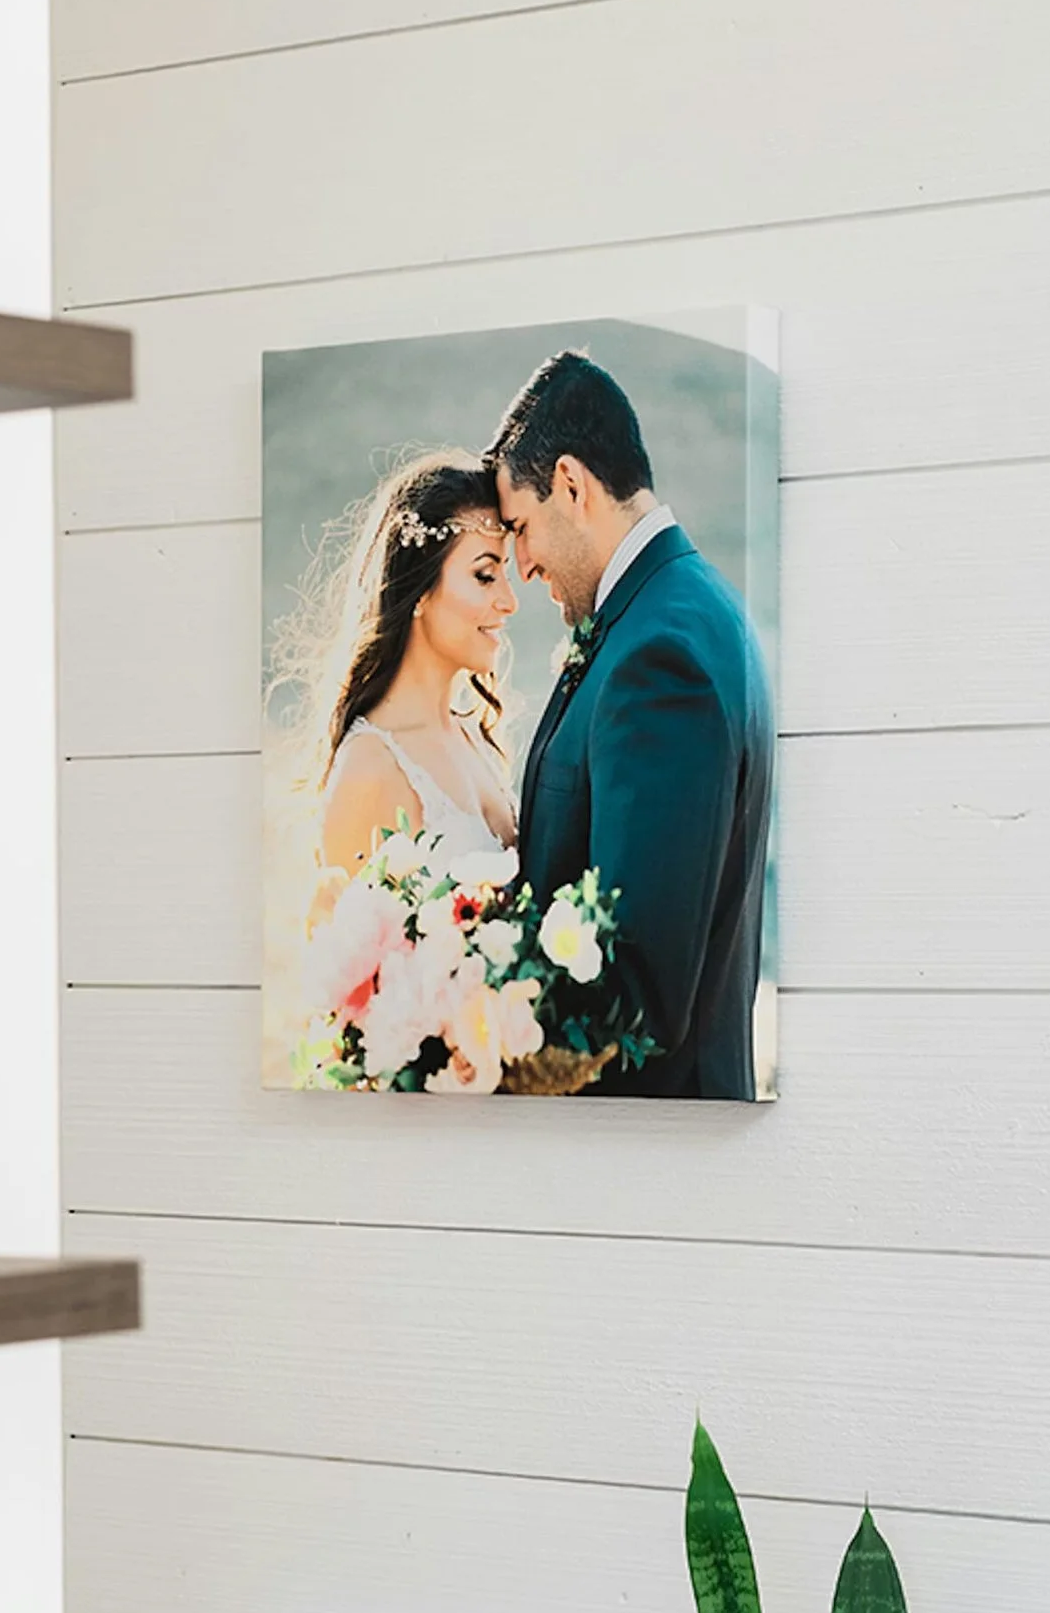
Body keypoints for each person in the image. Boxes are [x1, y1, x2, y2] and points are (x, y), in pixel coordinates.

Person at [491, 350, 774, 1099]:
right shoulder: (684, 608)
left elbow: (637, 986)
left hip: (645, 1142)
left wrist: (473, 1021)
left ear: (572, 485)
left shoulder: (659, 656)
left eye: (521, 527)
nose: (520, 563)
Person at [301, 451, 521, 889]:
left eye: (504, 574)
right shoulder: (370, 768)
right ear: (419, 589)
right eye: (484, 575)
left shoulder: (471, 738)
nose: (509, 602)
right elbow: (350, 951)